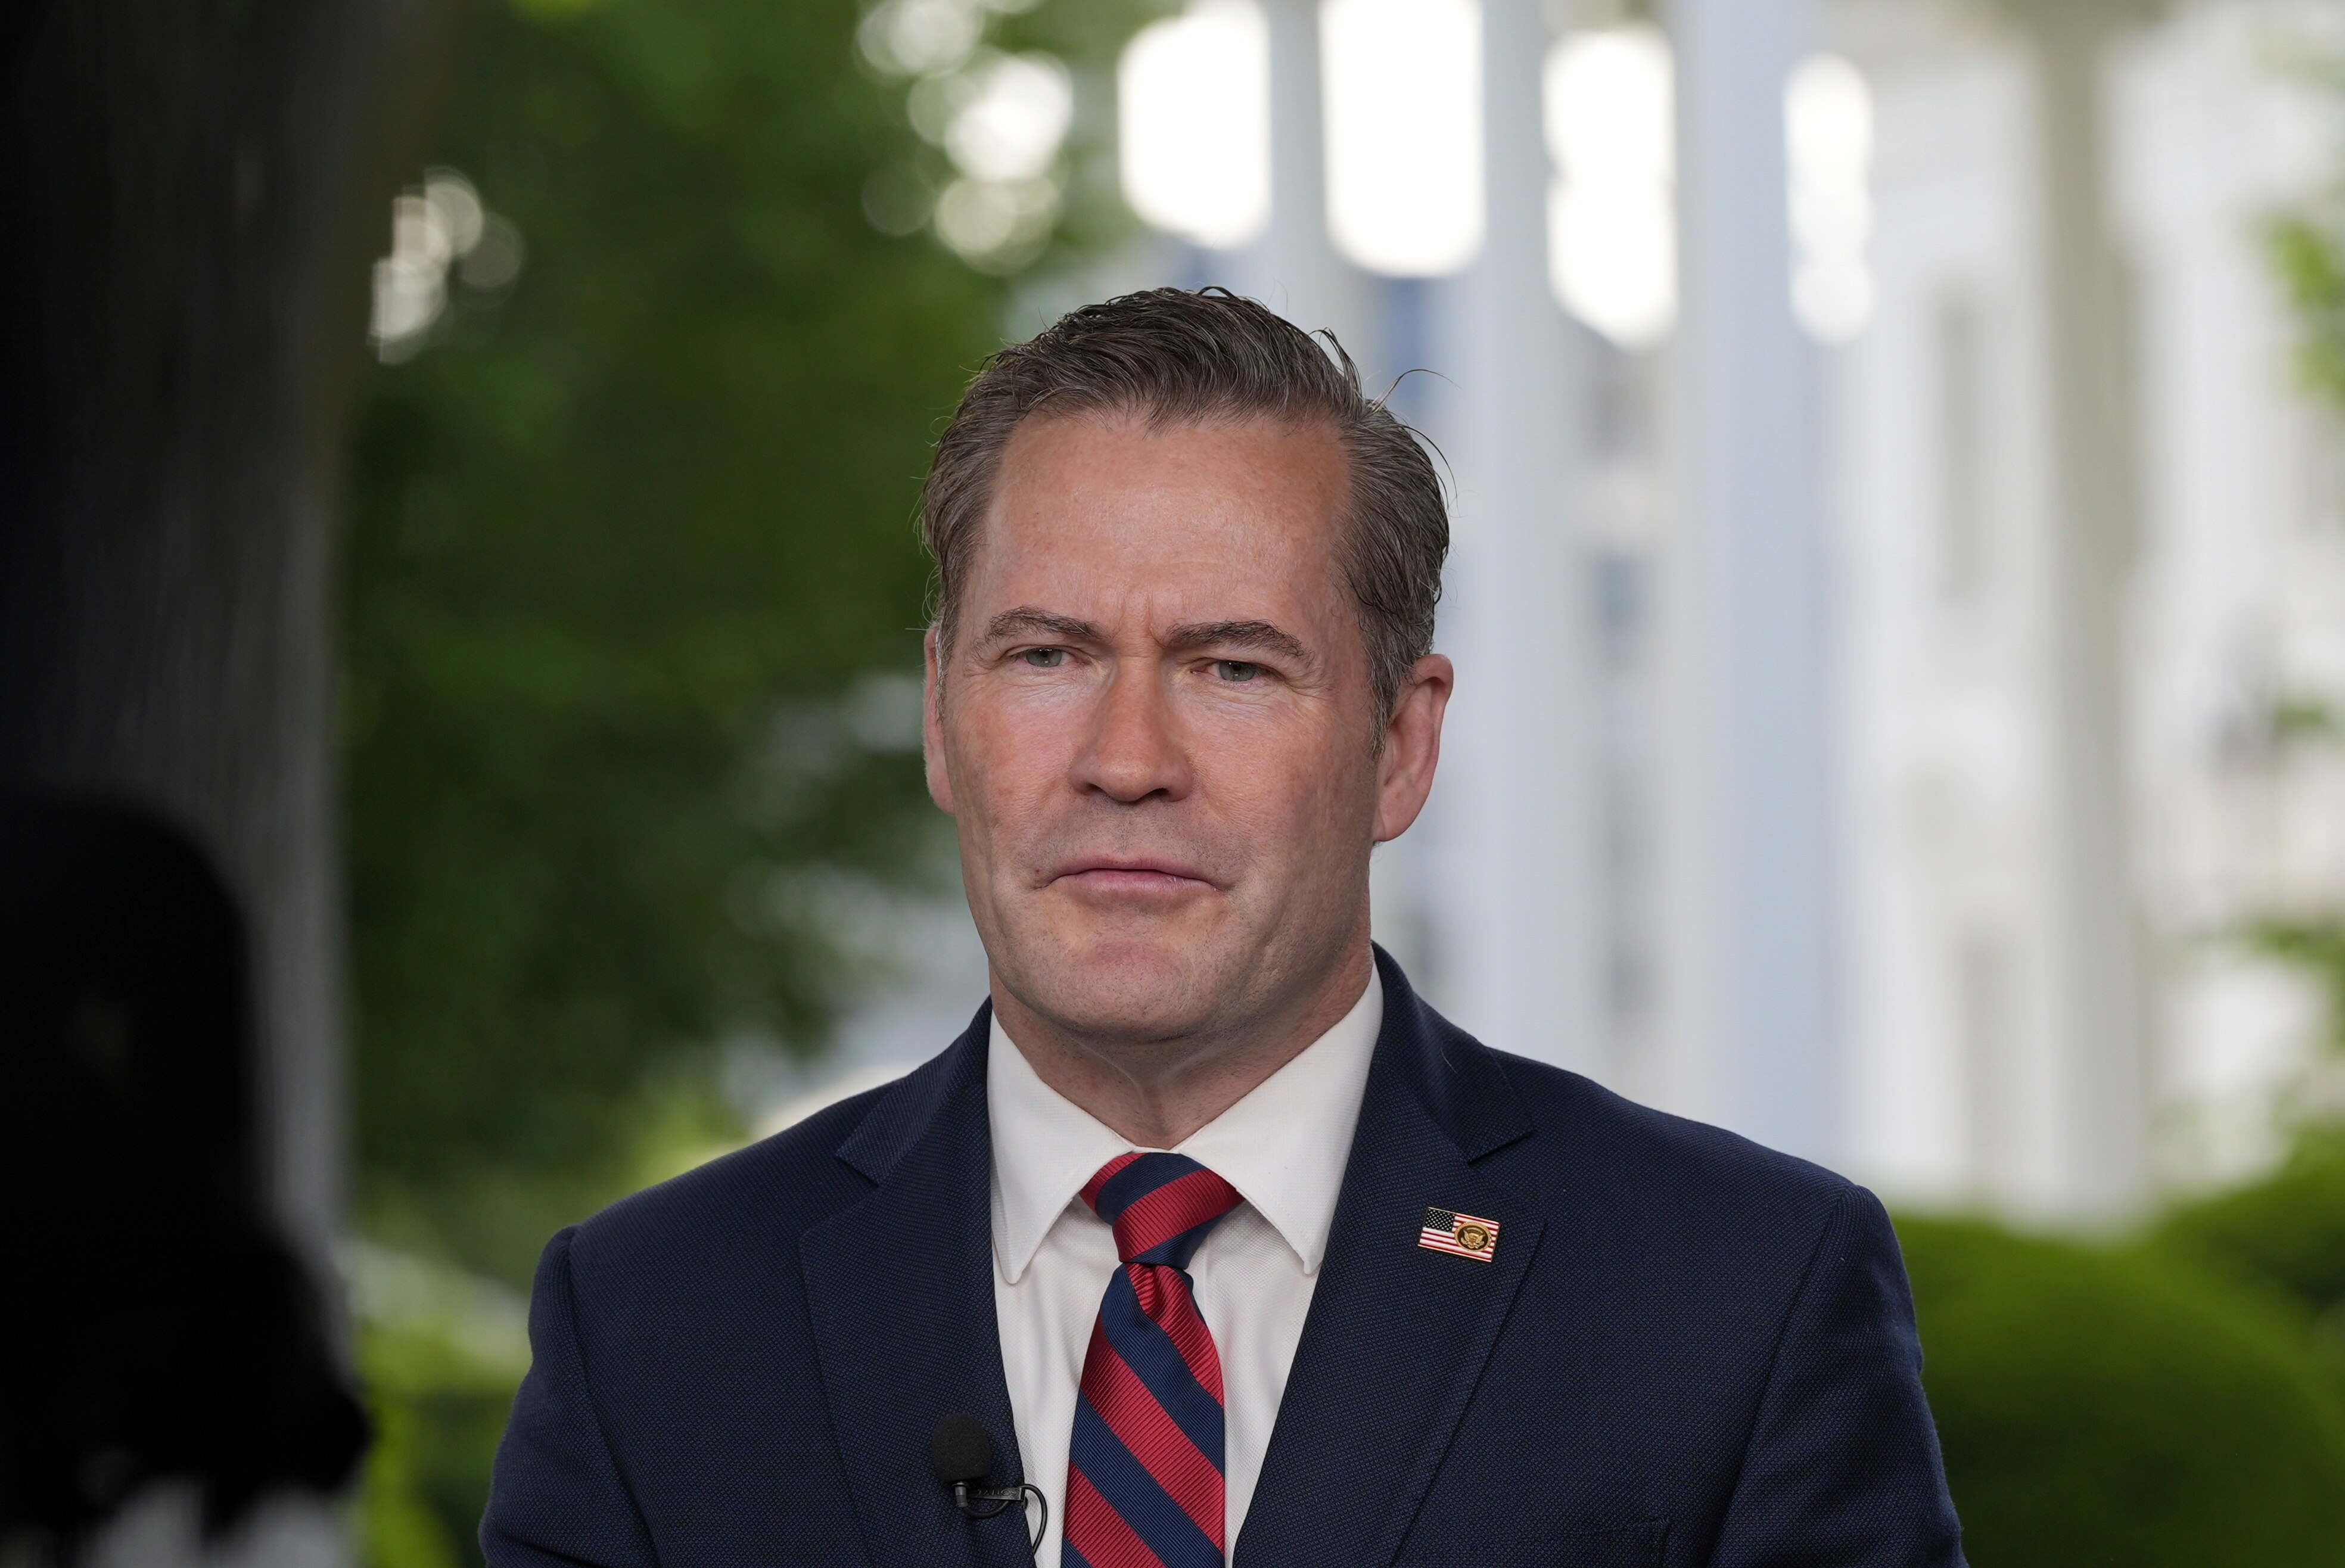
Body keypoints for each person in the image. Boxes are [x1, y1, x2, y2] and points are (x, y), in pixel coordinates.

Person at [482, 288, 1964, 1567]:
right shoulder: (654, 1327)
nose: (1127, 756)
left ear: (1399, 741)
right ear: (943, 714)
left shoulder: (1736, 1298)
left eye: (1235, 667)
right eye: (1048, 653)